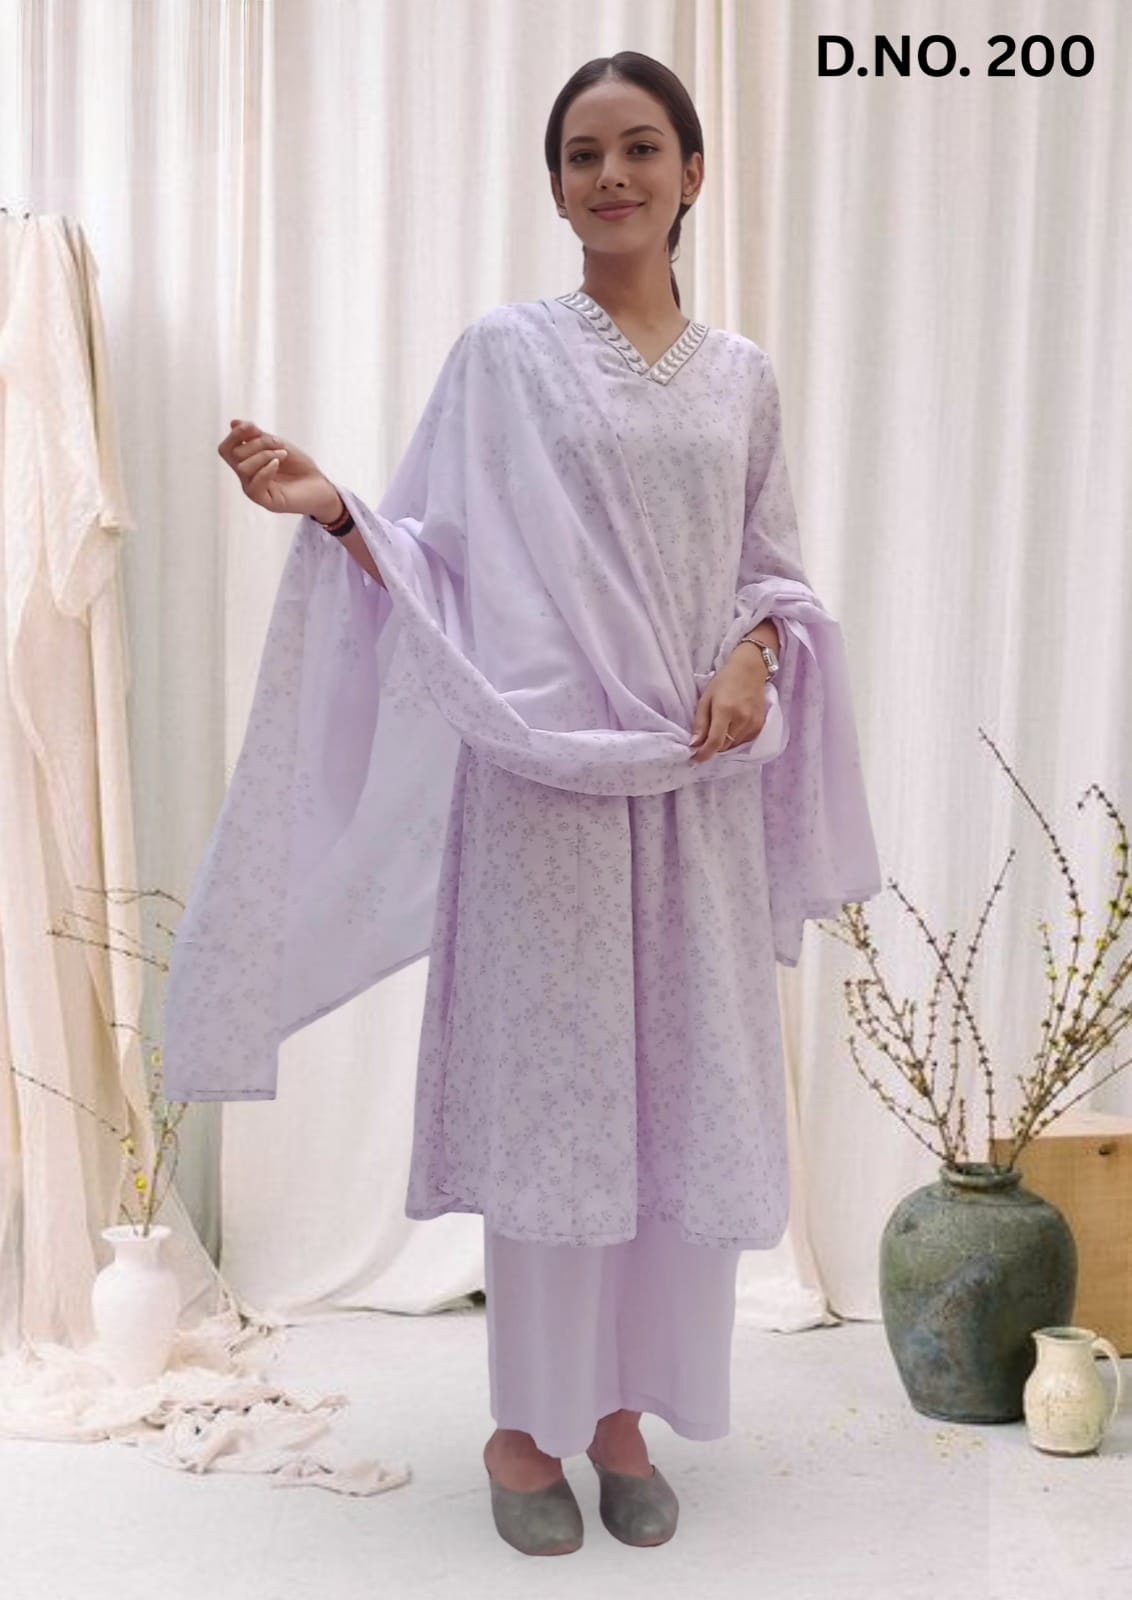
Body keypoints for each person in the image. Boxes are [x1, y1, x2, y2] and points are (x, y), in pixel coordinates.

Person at [170, 51, 881, 1558]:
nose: (611, 174)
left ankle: (623, 1414)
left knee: (675, 1098)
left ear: (693, 174)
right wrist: (337, 507)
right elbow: (440, 554)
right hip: (540, 791)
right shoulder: (503, 354)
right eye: (581, 154)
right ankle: (523, 1425)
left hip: (688, 792)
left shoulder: (742, 377)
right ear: (556, 188)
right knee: (562, 1108)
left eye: (641, 147)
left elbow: (774, 571)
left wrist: (755, 656)